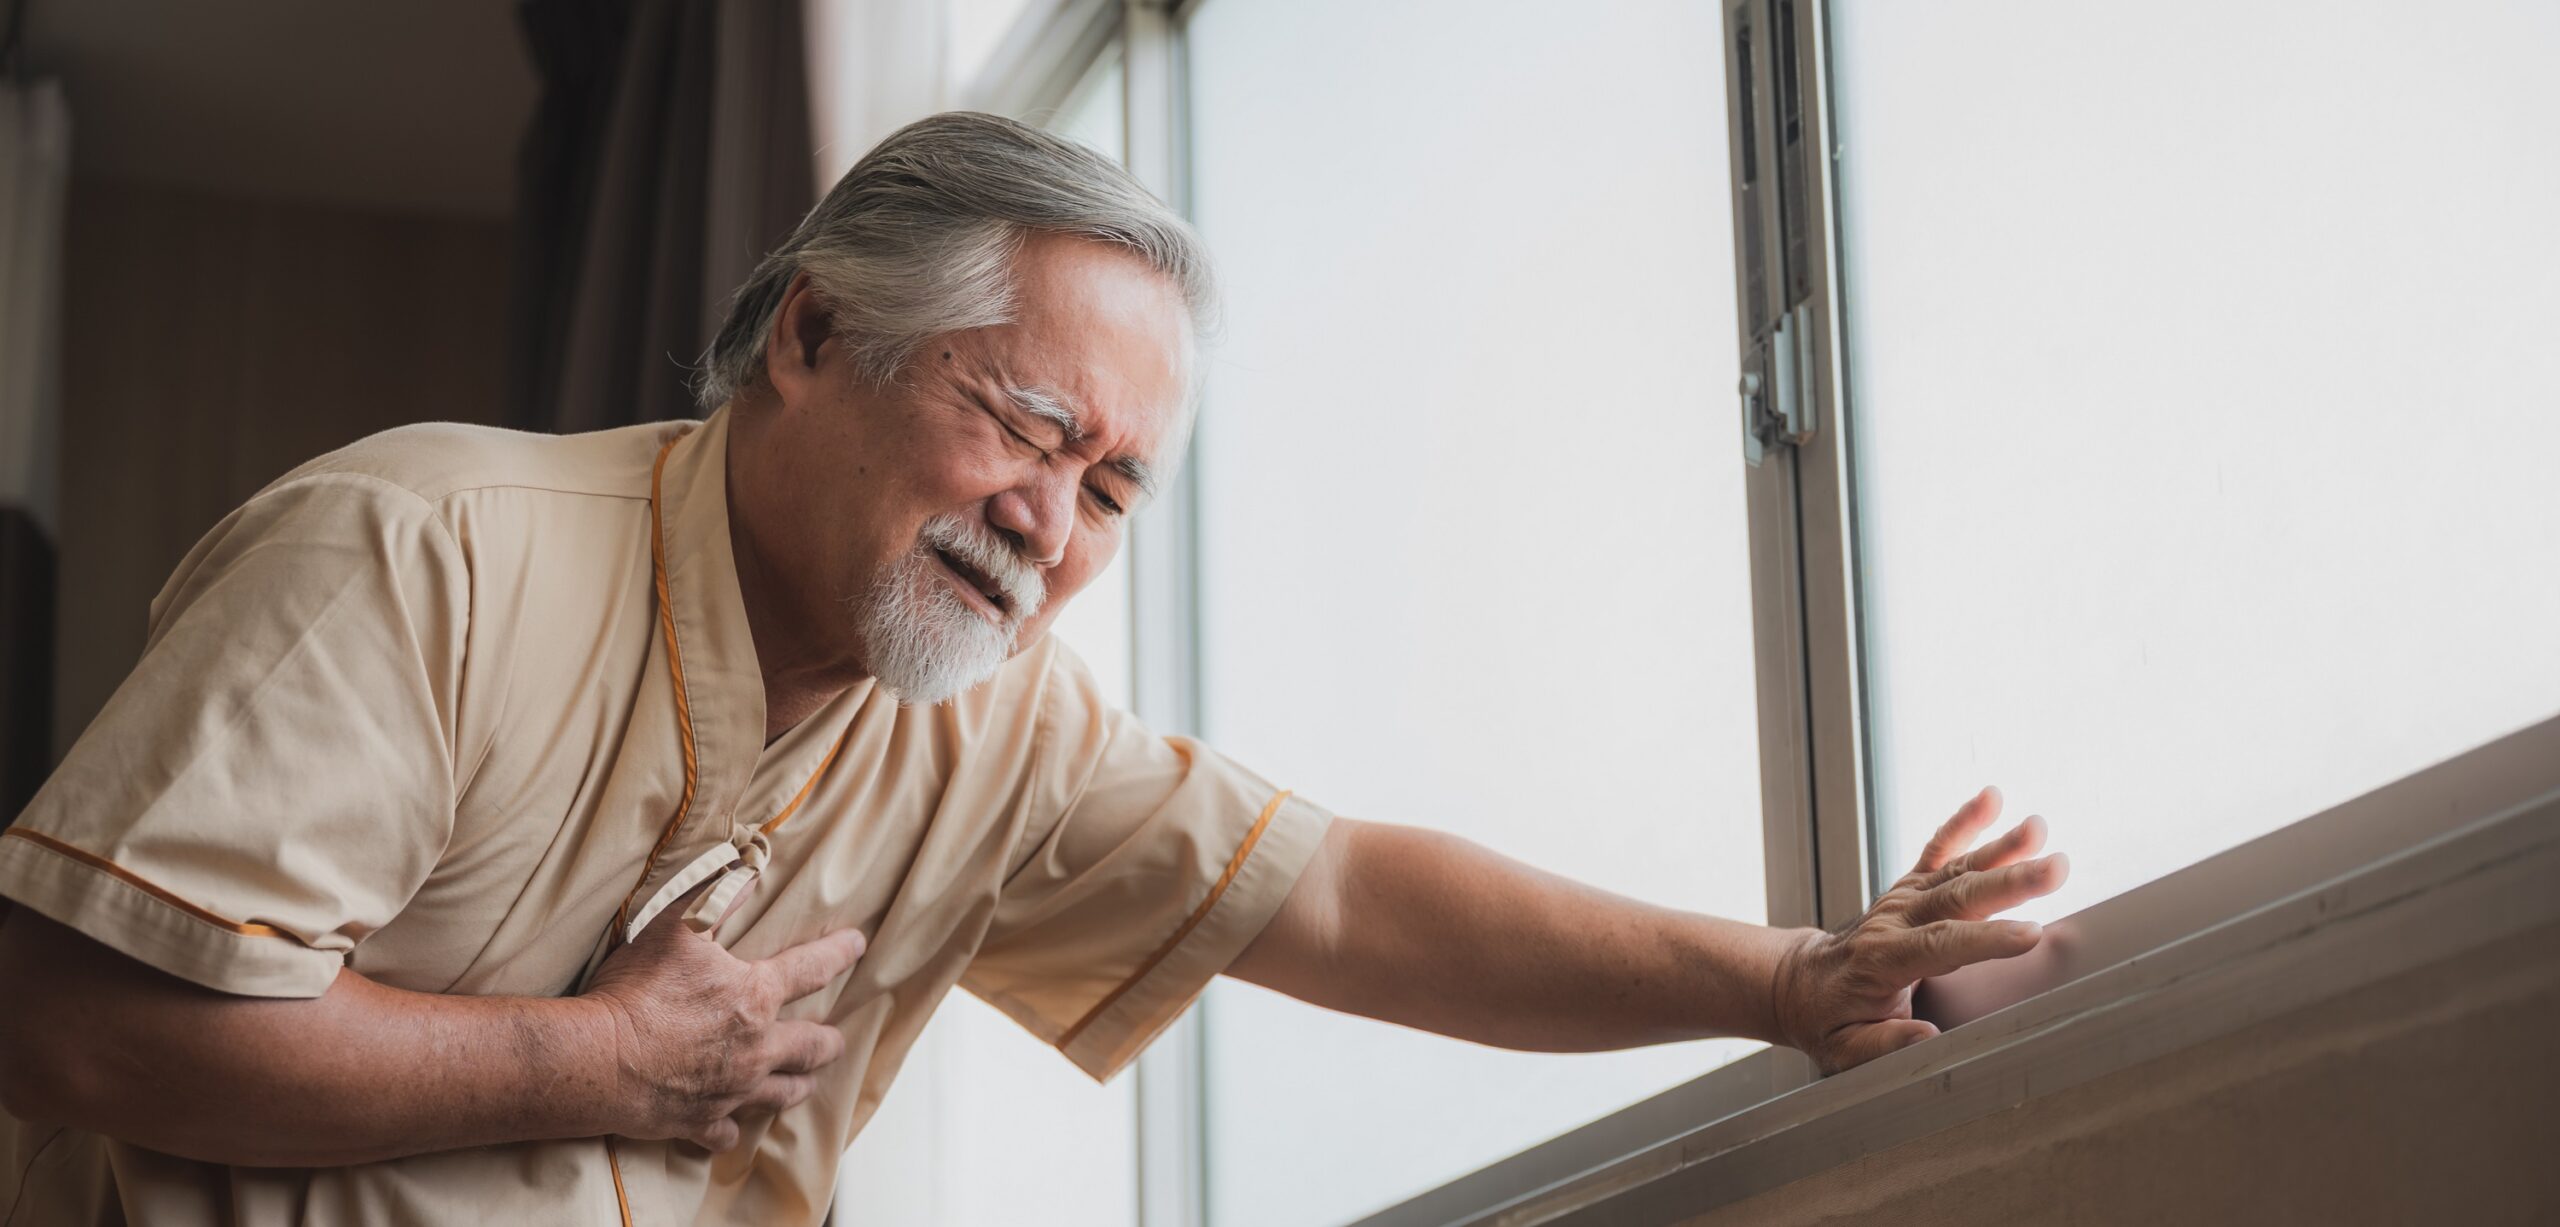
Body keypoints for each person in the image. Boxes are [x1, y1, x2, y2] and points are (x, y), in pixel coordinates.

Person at [0, 112, 2066, 1225]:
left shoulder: (997, 726)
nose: (1052, 521)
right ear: (811, 340)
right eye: (1020, 423)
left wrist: (1784, 984)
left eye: (1114, 485)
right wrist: (594, 1062)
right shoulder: (420, 546)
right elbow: (73, 1024)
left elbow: (1333, 893)